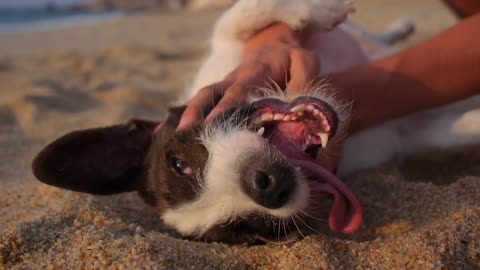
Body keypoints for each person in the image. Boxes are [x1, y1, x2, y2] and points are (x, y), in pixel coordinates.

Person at [177, 4, 480, 166]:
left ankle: (385, 38)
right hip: (391, 96)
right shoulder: (362, 161)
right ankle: (384, 43)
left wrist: (270, 40)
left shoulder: (214, 85)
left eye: (182, 166)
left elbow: (229, 34)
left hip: (343, 35)